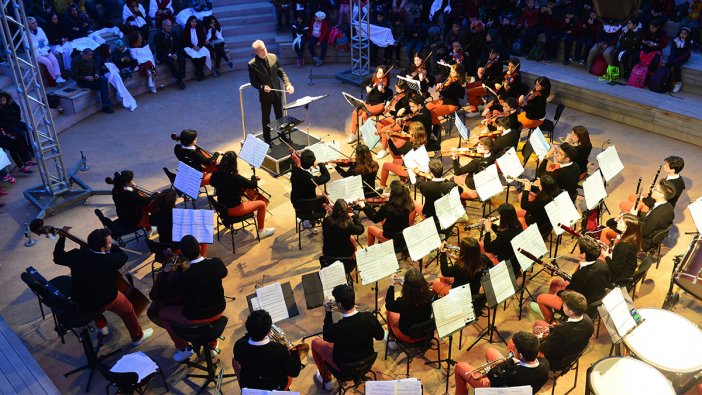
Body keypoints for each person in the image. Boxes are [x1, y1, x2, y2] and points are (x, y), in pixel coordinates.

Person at [53, 228, 153, 346]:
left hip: (80, 298)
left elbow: (58, 257)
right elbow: (123, 256)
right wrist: (113, 247)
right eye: (109, 243)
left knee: (92, 303)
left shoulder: (77, 254)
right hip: (105, 298)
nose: (111, 244)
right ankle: (137, 337)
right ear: (103, 249)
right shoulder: (109, 260)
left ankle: (102, 327)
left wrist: (62, 237)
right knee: (128, 311)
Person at [157, 235, 227, 362]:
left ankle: (183, 348)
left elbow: (165, 293)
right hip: (219, 311)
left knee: (162, 314)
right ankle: (212, 345)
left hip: (196, 318)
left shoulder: (183, 277)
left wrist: (166, 273)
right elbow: (224, 273)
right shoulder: (216, 263)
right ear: (200, 248)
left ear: (183, 253)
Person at [311, 284, 384, 391]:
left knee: (315, 342)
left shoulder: (337, 329)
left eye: (335, 301)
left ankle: (326, 381)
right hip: (367, 362)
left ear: (339, 305)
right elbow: (380, 336)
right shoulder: (369, 317)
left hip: (344, 368)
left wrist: (328, 312)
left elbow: (326, 336)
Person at [532, 236, 611, 322]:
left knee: (540, 298)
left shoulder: (581, 276)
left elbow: (569, 294)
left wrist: (558, 293)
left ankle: (550, 321)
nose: (576, 249)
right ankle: (549, 307)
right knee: (556, 282)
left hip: (578, 307)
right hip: (592, 295)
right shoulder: (602, 264)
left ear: (583, 254)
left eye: (578, 248)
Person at [454, 331, 550, 394]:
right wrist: (513, 361)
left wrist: (507, 362)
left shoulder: (512, 375)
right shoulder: (545, 363)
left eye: (515, 349)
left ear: (520, 355)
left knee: (460, 367)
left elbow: (493, 376)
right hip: (521, 386)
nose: (513, 350)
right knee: (490, 351)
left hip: (500, 389)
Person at [209, 151, 275, 239]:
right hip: (233, 210)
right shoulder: (235, 178)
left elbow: (212, 183)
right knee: (262, 204)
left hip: (221, 206)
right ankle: (261, 231)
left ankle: (227, 222)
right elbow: (253, 185)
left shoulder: (215, 174)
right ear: (234, 164)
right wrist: (253, 178)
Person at [232, 310, 302, 391]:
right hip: (275, 386)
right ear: (268, 330)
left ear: (248, 327)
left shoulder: (239, 345)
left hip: (250, 385)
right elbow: (295, 372)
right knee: (288, 367)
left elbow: (240, 357)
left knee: (234, 360)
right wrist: (294, 351)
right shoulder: (278, 349)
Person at [247, 40, 294, 145]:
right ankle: (267, 138)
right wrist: (262, 87)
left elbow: (281, 72)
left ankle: (281, 134)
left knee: (279, 114)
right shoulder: (252, 64)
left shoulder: (273, 57)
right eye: (262, 50)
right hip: (265, 96)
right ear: (257, 52)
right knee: (266, 117)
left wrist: (288, 84)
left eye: (265, 47)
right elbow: (253, 82)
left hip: (277, 93)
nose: (265, 50)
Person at [533, 290, 594, 371]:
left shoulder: (562, 331)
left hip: (556, 362)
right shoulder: (589, 321)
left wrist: (540, 338)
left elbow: (546, 349)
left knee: (537, 324)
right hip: (571, 352)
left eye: (564, 306)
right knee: (540, 323)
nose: (562, 307)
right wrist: (551, 329)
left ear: (571, 312)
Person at [362, 180, 419, 246]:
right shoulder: (409, 203)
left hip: (389, 237)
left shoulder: (387, 207)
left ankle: (371, 251)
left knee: (370, 228)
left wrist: (364, 207)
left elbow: (375, 219)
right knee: (383, 220)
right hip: (403, 234)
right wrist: (389, 196)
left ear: (392, 192)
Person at [385, 269, 433, 347]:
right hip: (426, 330)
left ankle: (391, 336)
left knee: (389, 312)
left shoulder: (402, 302)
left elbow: (388, 305)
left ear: (406, 287)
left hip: (407, 331)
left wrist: (391, 285)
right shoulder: (431, 295)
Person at [348, 66, 393, 144]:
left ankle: (371, 135)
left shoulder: (385, 84)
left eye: (380, 73)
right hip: (368, 103)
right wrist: (367, 87)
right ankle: (354, 134)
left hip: (378, 105)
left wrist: (382, 90)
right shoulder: (373, 79)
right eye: (377, 72)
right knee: (355, 113)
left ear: (385, 75)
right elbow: (362, 83)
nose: (378, 74)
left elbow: (389, 94)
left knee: (365, 114)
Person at [379, 121, 427, 188]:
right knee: (396, 161)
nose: (409, 131)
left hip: (412, 171)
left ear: (414, 133)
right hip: (421, 168)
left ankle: (382, 187)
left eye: (410, 130)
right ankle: (404, 180)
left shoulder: (409, 145)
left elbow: (396, 152)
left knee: (385, 165)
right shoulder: (422, 142)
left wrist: (389, 139)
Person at [321, 199, 364, 272]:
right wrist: (354, 217)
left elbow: (334, 225)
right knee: (352, 239)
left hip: (328, 258)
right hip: (346, 262)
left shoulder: (326, 221)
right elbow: (361, 229)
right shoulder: (348, 224)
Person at [482, 203, 524, 273]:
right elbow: (502, 233)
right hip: (512, 254)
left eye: (500, 215)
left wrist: (488, 230)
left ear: (504, 217)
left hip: (504, 259)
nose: (499, 216)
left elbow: (488, 248)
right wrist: (492, 225)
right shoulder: (518, 224)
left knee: (479, 248)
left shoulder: (504, 235)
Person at [71, 48, 114, 114]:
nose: (90, 57)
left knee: (104, 80)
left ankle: (106, 104)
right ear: (84, 54)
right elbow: (74, 76)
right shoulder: (75, 61)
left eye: (91, 55)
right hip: (83, 81)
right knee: (102, 85)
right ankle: (106, 106)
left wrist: (96, 74)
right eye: (89, 56)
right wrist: (85, 77)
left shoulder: (91, 58)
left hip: (93, 77)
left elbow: (96, 68)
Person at [27, 17, 67, 85]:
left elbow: (46, 40)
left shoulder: (40, 29)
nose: (35, 24)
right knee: (48, 63)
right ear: (28, 25)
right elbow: (28, 46)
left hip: (45, 49)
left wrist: (39, 44)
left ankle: (59, 77)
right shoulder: (25, 34)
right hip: (36, 53)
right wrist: (38, 44)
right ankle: (55, 78)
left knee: (54, 60)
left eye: (35, 22)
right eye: (32, 23)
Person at [639, 179, 676, 252]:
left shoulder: (656, 215)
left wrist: (632, 218)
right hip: (652, 230)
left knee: (616, 224)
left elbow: (643, 232)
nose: (652, 190)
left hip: (645, 242)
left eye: (655, 189)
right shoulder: (669, 206)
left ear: (661, 195)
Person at [602, 214, 641, 282]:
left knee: (594, 265)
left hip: (619, 277)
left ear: (626, 227)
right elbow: (609, 225)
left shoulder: (624, 247)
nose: (618, 222)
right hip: (623, 266)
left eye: (620, 222)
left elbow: (616, 269)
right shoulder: (632, 235)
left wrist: (606, 256)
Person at [154, 19, 186, 90]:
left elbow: (177, 44)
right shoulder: (158, 34)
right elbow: (159, 49)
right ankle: (179, 79)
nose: (170, 28)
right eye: (168, 26)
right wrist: (169, 55)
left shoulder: (173, 32)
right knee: (170, 63)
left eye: (171, 26)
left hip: (174, 52)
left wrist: (174, 53)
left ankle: (180, 78)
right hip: (164, 54)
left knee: (182, 60)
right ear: (163, 25)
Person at [182, 15, 210, 81]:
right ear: (189, 22)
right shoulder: (186, 30)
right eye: (192, 21)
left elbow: (203, 39)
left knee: (203, 56)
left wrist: (199, 46)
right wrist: (193, 46)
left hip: (199, 47)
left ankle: (200, 71)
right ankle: (199, 72)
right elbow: (185, 40)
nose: (194, 23)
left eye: (195, 21)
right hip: (190, 47)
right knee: (196, 59)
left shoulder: (199, 29)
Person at [666, 27, 693, 93]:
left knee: (677, 65)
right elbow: (672, 50)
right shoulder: (676, 40)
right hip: (675, 55)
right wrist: (673, 58)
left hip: (683, 57)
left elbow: (686, 53)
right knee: (668, 64)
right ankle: (665, 79)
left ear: (688, 35)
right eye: (681, 33)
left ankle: (678, 82)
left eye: (685, 33)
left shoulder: (689, 42)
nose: (683, 35)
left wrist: (676, 60)